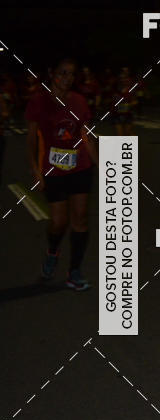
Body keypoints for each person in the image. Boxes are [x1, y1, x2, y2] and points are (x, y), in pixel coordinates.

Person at [25, 57, 97, 290]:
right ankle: (53, 251)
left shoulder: (79, 101)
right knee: (58, 222)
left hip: (80, 167)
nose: (67, 78)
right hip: (53, 170)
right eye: (62, 73)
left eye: (71, 74)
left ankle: (73, 271)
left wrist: (101, 163)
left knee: (81, 219)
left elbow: (85, 135)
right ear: (52, 73)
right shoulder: (39, 101)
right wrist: (36, 169)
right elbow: (32, 138)